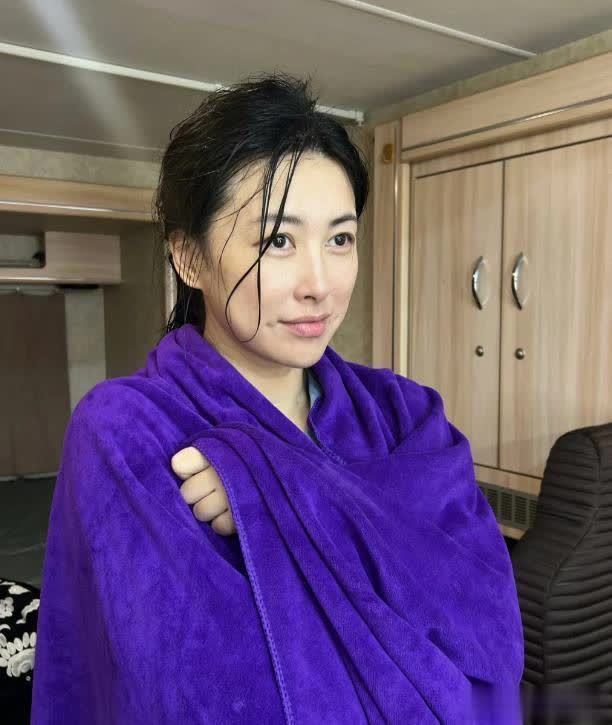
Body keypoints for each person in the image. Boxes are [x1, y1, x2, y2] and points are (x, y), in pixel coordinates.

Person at [31, 71, 525, 724]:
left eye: (340, 239)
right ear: (189, 257)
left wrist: (270, 486)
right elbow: (203, 694)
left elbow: (488, 621)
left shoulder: (407, 415)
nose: (320, 284)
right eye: (278, 241)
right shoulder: (126, 430)